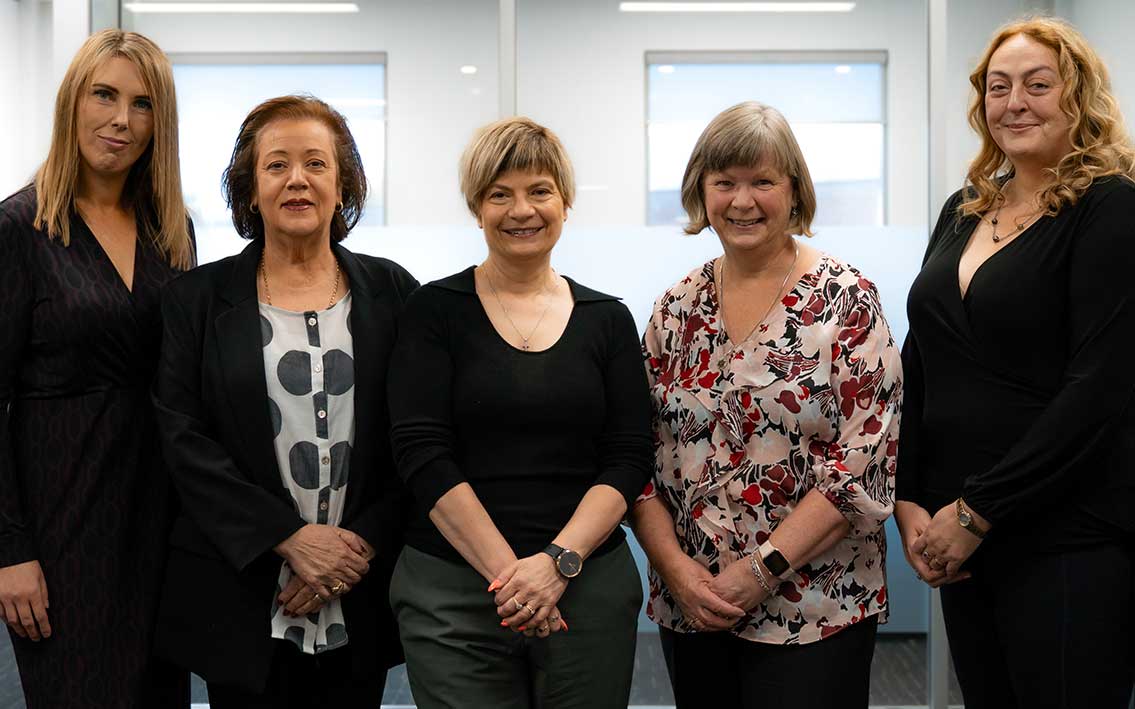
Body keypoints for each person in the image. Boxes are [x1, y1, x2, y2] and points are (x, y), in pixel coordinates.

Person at [894, 16, 1135, 709]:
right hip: (960, 537)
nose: (1013, 103)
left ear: (1077, 98)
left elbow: (1098, 389)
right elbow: (924, 358)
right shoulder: (964, 208)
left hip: (1065, 534)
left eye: (1036, 84)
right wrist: (911, 498)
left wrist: (975, 513)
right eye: (997, 88)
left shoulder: (1110, 207)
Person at [630, 101, 901, 709]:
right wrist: (675, 569)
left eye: (762, 182)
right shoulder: (676, 308)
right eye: (724, 182)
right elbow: (636, 453)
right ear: (702, 191)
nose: (742, 201)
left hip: (815, 604)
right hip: (693, 603)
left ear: (795, 190)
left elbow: (861, 463)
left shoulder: (845, 300)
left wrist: (759, 571)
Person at [152, 95, 415, 708]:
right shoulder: (195, 301)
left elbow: (417, 436)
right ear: (249, 190)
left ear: (342, 184)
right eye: (276, 165)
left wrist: (357, 548)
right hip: (243, 589)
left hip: (360, 586)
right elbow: (182, 439)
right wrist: (288, 539)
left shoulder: (394, 293)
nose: (297, 179)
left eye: (316, 164)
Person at [387, 116, 653, 709]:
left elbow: (629, 455)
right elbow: (421, 452)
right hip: (452, 591)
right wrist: (516, 581)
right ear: (476, 208)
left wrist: (556, 566)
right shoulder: (434, 311)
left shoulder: (607, 319)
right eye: (499, 194)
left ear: (566, 202)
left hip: (586, 586)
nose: (521, 210)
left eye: (539, 191)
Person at [0, 29, 192, 709]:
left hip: (161, 520)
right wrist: (9, 549)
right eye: (103, 94)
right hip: (62, 522)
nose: (121, 120)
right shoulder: (18, 230)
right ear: (70, 103)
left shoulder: (171, 228)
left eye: (142, 105)